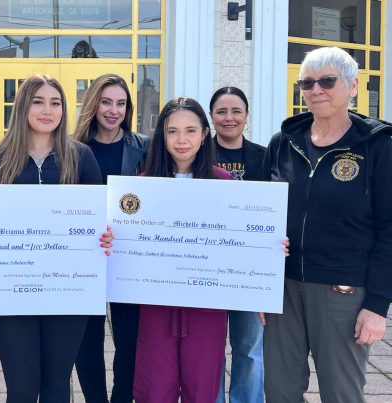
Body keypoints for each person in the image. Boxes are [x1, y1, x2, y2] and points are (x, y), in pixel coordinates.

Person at [261, 46, 392, 403]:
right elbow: (258, 217)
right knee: (279, 391)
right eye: (307, 83)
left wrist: (377, 306)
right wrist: (257, 284)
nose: (315, 90)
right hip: (283, 290)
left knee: (341, 394)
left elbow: (389, 229)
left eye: (327, 81)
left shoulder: (378, 147)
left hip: (343, 291)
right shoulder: (282, 144)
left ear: (353, 86)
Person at [0, 74, 106, 402]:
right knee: (22, 388)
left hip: (68, 291)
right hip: (12, 291)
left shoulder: (81, 157)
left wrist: (105, 237)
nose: (48, 110)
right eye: (39, 102)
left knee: (57, 385)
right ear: (22, 107)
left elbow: (98, 220)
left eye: (55, 103)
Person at [133, 97, 232, 403]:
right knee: (155, 389)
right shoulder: (143, 185)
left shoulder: (223, 182)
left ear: (205, 134)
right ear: (162, 136)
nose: (182, 140)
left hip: (206, 306)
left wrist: (266, 246)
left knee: (202, 389)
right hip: (157, 304)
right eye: (172, 131)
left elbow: (237, 241)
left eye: (190, 130)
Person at [72, 73, 149, 403]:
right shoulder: (72, 149)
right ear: (93, 104)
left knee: (130, 341)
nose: (113, 111)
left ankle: (120, 398)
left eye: (121, 103)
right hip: (85, 256)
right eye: (106, 102)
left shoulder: (144, 147)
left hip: (128, 258)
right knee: (86, 341)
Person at [209, 86, 266, 403]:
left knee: (250, 349)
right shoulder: (198, 154)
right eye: (221, 111)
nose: (229, 118)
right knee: (209, 350)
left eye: (236, 111)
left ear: (247, 116)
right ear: (211, 116)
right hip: (208, 268)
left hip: (250, 270)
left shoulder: (265, 156)